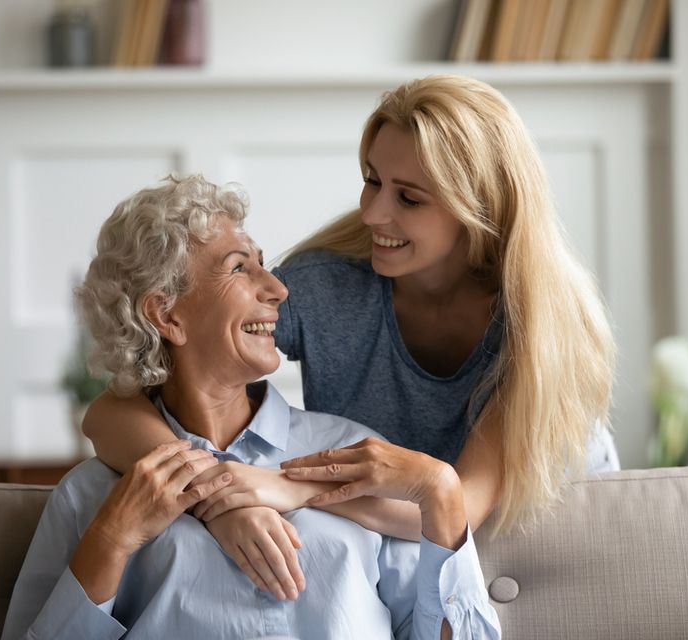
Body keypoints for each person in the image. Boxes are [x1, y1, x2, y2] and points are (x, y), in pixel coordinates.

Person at [82, 75, 620, 597]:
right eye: (371, 179)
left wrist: (289, 488)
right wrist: (217, 499)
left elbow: (458, 504)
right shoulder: (329, 288)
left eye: (408, 198)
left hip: (538, 538)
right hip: (402, 544)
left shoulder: (537, 326)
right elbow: (110, 412)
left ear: (478, 208)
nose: (371, 212)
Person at [0, 175, 502, 639]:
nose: (279, 289)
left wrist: (440, 492)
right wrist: (112, 539)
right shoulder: (92, 497)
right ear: (167, 314)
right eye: (240, 267)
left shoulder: (351, 453)